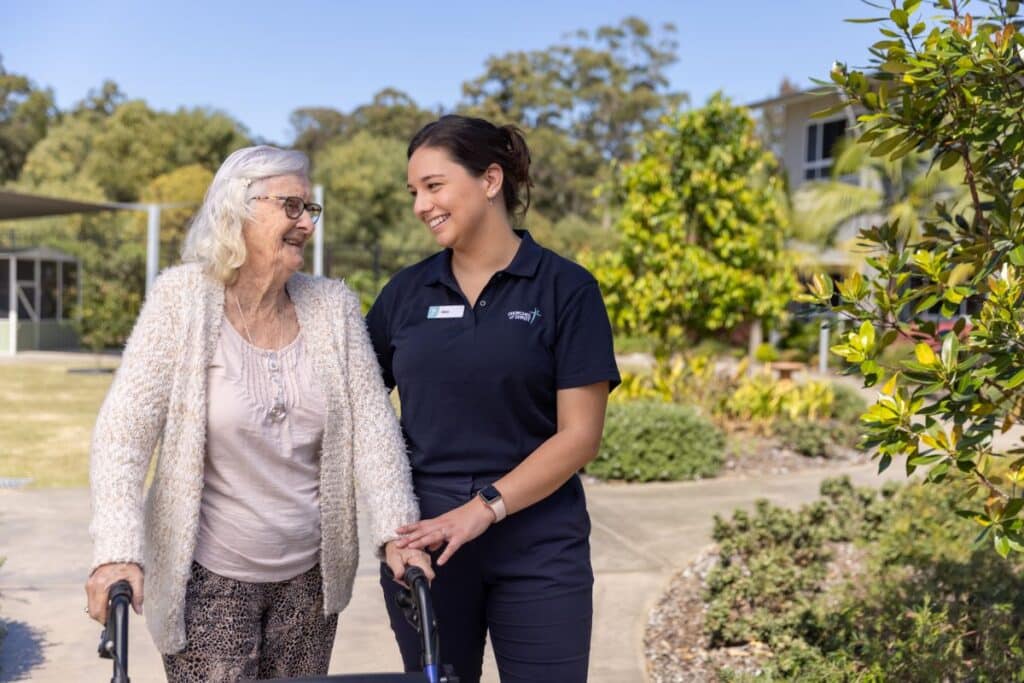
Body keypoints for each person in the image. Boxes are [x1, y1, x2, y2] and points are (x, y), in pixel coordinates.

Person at [85, 145, 432, 683]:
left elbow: (374, 431)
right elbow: (122, 436)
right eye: (291, 207)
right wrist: (115, 551)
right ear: (237, 210)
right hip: (207, 582)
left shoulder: (332, 306)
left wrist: (396, 533)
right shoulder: (181, 300)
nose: (305, 225)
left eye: (309, 211)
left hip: (309, 583)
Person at [367, 115, 620, 683]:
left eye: (434, 186)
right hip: (426, 551)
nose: (420, 205)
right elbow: (356, 410)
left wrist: (483, 509)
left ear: (490, 180)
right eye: (414, 192)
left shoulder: (566, 289)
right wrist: (389, 526)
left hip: (540, 547)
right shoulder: (405, 294)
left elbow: (580, 435)